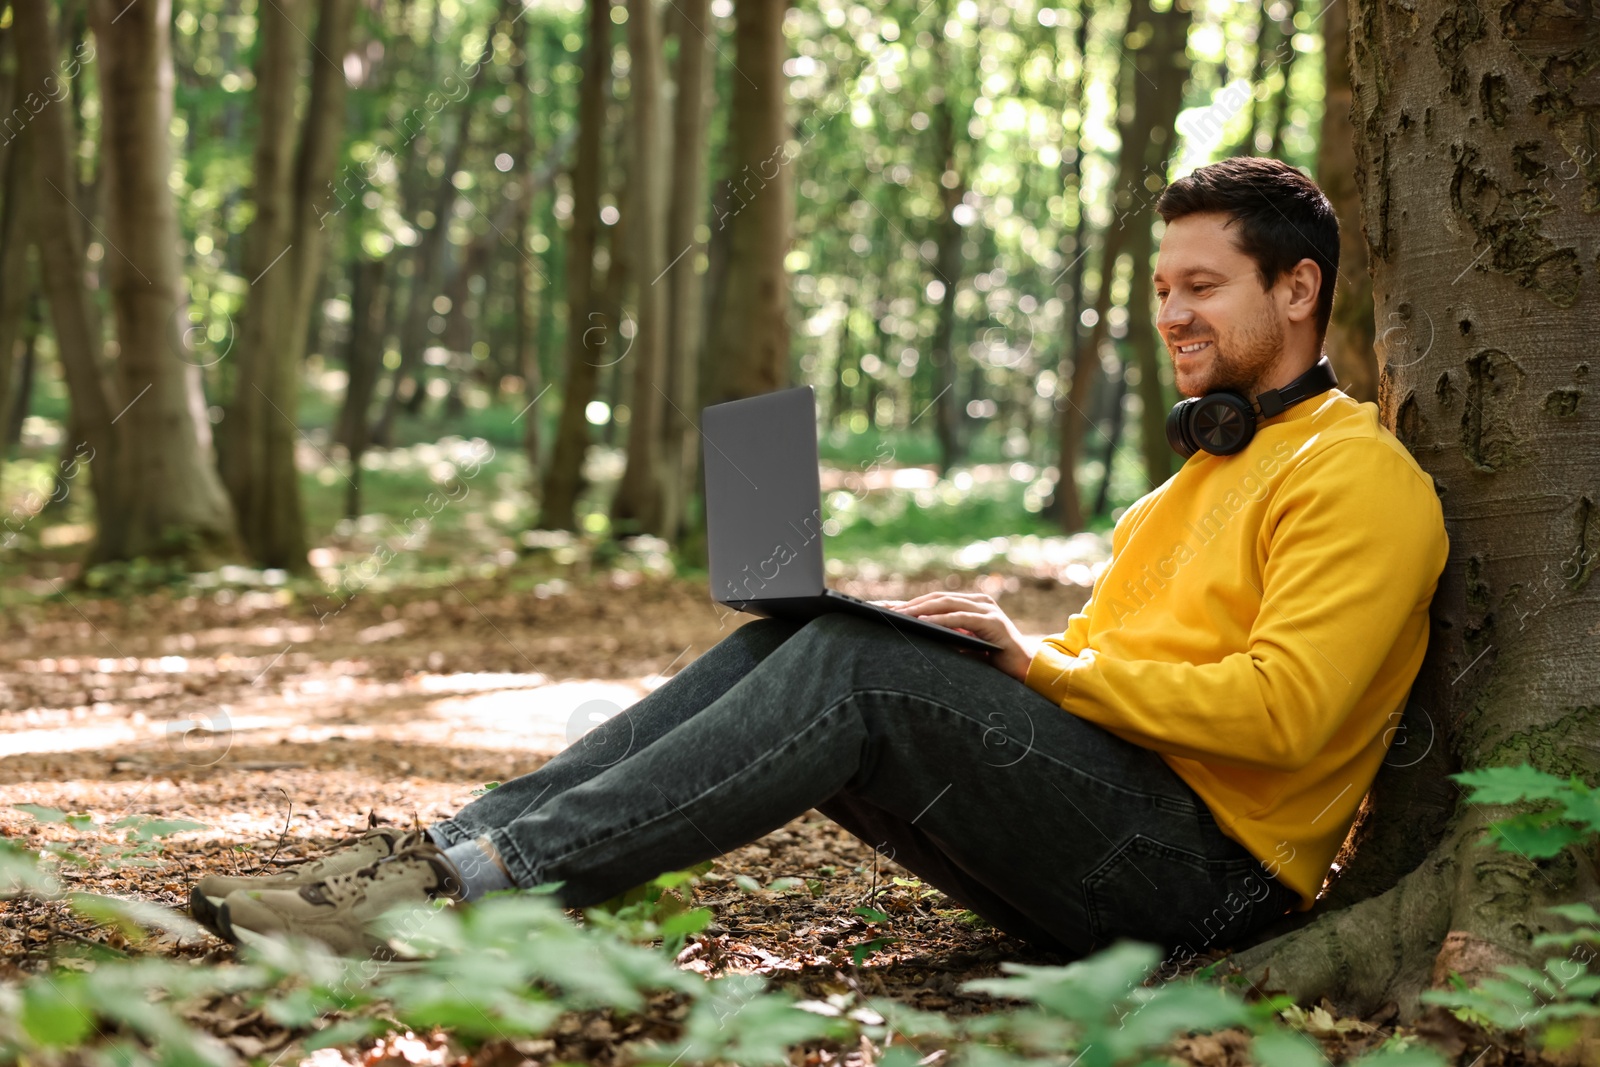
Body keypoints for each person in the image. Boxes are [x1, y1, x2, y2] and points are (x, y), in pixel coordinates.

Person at [192, 156, 1448, 964]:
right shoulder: (1193, 479)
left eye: (1203, 286)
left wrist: (1043, 668)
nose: (1171, 313)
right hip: (1125, 821)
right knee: (808, 636)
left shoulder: (1357, 475)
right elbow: (1133, 676)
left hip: (1211, 879)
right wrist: (997, 655)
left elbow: (1286, 715)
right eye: (1161, 286)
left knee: (856, 664)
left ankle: (463, 892)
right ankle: (435, 856)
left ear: (1298, 292)